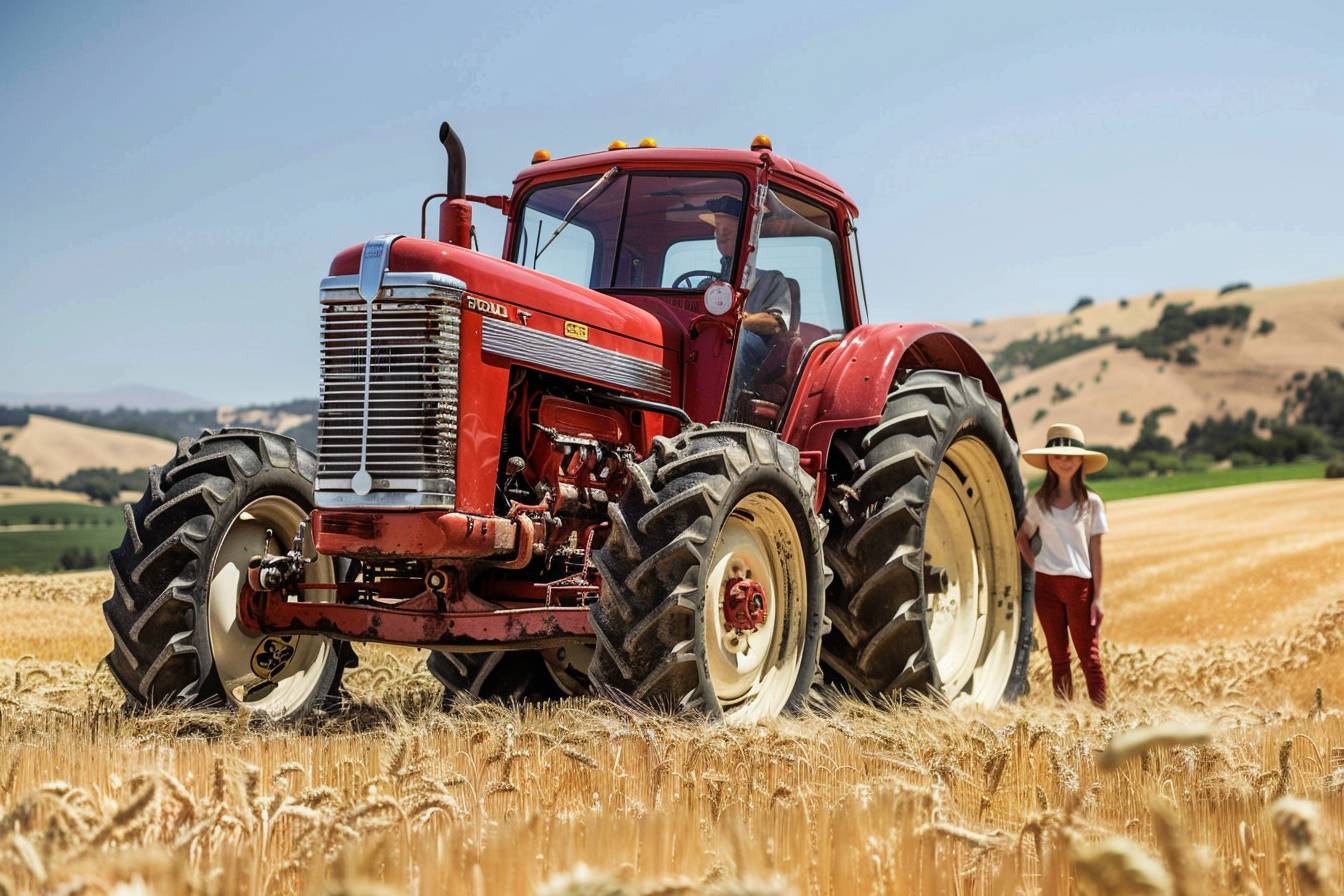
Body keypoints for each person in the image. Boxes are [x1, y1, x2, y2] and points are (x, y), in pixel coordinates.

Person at [1015, 423, 1110, 708]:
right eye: (1057, 455)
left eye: (1070, 455)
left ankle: (1103, 720)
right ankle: (1066, 722)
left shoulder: (1092, 503)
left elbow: (1096, 548)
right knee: (1058, 658)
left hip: (1080, 586)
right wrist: (1034, 565)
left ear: (1081, 460)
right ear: (1048, 461)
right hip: (1046, 587)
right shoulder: (1038, 502)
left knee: (1089, 658)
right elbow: (1022, 537)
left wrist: (1098, 596)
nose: (1064, 461)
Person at [698, 197, 792, 392]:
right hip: (712, 346)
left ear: (747, 237)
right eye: (717, 229)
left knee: (735, 341)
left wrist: (737, 320)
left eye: (728, 230)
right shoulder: (706, 285)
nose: (720, 236)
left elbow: (777, 324)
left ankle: (733, 403)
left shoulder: (772, 280)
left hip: (755, 355)